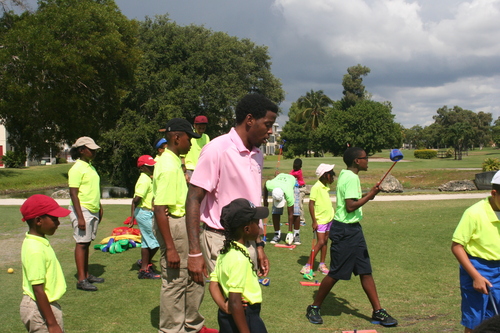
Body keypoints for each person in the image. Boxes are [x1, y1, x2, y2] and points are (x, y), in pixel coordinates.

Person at [186, 93, 278, 285]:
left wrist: (259, 245)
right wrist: (194, 251)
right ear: (250, 120)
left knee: (248, 304)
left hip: (249, 239)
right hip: (221, 240)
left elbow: (253, 202)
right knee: (234, 306)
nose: (270, 132)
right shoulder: (217, 149)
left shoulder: (257, 154)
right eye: (268, 125)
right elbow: (194, 198)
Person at [305, 147, 398, 327]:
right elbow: (350, 207)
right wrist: (370, 195)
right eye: (365, 158)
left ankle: (378, 311)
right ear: (357, 161)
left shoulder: (347, 176)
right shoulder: (351, 177)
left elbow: (352, 200)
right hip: (345, 231)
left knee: (365, 270)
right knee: (336, 273)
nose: (367, 160)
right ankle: (314, 307)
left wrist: (367, 195)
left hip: (354, 230)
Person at [153, 118, 217, 333]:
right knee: (176, 281)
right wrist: (170, 247)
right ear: (177, 138)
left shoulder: (172, 162)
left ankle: (192, 324)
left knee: (194, 276)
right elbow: (160, 208)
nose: (191, 145)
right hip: (175, 228)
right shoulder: (169, 166)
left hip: (182, 224)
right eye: (189, 139)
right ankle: (172, 329)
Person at [209, 198, 269, 333]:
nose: (259, 226)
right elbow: (235, 300)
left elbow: (213, 285)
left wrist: (224, 307)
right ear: (246, 229)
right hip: (245, 316)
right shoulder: (239, 259)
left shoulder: (226, 252)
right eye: (256, 222)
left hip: (227, 316)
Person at [451, 171, 500, 333]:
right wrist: (476, 276)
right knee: (475, 319)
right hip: (477, 268)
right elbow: (457, 246)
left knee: (496, 318)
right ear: (494, 193)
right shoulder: (474, 213)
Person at [19, 194, 71, 333]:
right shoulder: (35, 249)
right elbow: (38, 289)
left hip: (43, 305)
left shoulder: (37, 241)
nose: (58, 223)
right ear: (38, 220)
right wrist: (52, 323)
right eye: (54, 219)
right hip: (39, 308)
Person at [68, 136, 104, 292]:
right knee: (81, 243)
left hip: (92, 208)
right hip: (82, 210)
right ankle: (81, 280)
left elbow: (92, 189)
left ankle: (86, 274)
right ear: (81, 150)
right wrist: (80, 217)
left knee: (87, 242)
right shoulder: (77, 168)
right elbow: (73, 193)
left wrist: (99, 206)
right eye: (91, 149)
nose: (94, 152)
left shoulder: (90, 166)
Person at [300, 164, 335, 276]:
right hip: (320, 220)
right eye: (331, 174)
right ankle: (307, 265)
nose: (333, 176)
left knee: (325, 242)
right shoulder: (316, 187)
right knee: (320, 242)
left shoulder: (325, 187)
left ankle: (322, 264)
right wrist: (314, 221)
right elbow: (311, 204)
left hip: (329, 219)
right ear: (325, 175)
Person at [130, 155, 160, 279]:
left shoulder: (148, 178)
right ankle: (145, 265)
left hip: (146, 212)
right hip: (143, 212)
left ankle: (144, 267)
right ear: (142, 167)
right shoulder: (144, 180)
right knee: (156, 242)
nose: (152, 167)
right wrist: (132, 216)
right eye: (149, 166)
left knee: (146, 243)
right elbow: (136, 199)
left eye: (153, 165)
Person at [263, 173, 301, 245]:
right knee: (275, 211)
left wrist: (290, 232)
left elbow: (290, 213)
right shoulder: (270, 185)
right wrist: (265, 200)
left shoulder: (289, 192)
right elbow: (265, 185)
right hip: (280, 182)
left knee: (295, 212)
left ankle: (296, 234)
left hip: (292, 182)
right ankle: (277, 234)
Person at [184, 115, 210, 182]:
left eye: (204, 124)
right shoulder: (189, 136)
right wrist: (184, 172)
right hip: (190, 169)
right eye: (199, 125)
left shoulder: (206, 137)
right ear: (195, 125)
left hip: (203, 169)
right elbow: (182, 157)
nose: (202, 127)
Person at [290, 158, 306, 225]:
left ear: (300, 167)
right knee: (295, 204)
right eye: (294, 167)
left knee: (299, 204)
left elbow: (290, 175)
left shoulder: (298, 172)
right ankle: (295, 219)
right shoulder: (293, 171)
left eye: (296, 167)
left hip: (301, 189)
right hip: (296, 189)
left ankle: (302, 220)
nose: (295, 168)